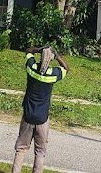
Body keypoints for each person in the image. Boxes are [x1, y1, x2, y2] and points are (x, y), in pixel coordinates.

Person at [12, 44, 69, 173]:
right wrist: (57, 56)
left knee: (21, 149)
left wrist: (39, 49)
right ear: (50, 60)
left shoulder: (31, 68)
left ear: (40, 57)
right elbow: (66, 68)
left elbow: (27, 51)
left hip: (28, 116)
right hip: (42, 118)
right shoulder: (52, 74)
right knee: (40, 152)